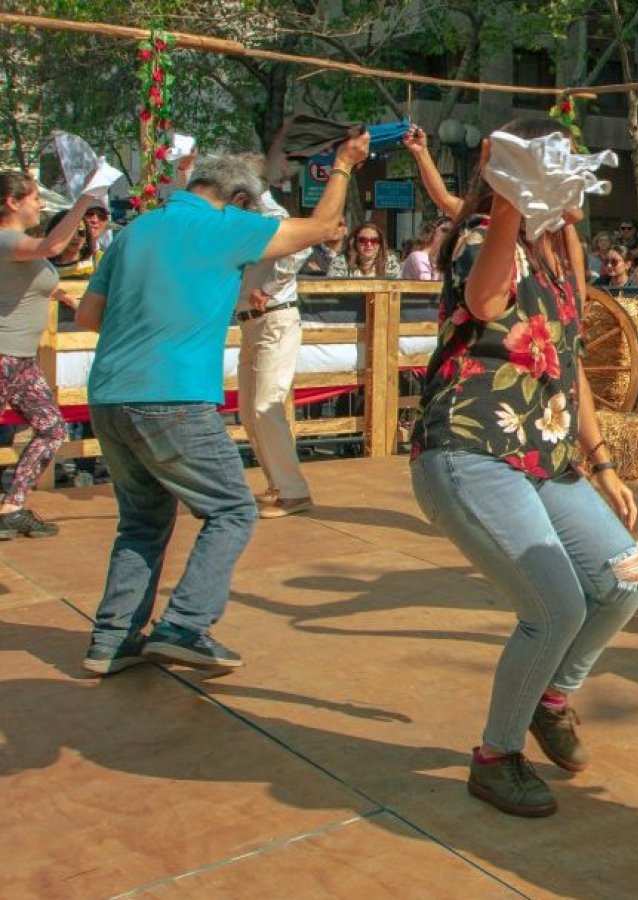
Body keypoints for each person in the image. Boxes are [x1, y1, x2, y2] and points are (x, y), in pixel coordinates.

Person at [410, 116, 638, 818]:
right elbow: (486, 304)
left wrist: (603, 461)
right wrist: (508, 195)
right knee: (555, 607)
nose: (578, 180)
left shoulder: (557, 258)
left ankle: (551, 695)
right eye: (559, 166)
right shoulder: (488, 238)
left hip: (544, 459)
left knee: (627, 577)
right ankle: (495, 756)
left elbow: (568, 362)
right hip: (470, 447)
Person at [76, 133, 370, 677]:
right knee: (232, 509)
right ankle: (184, 625)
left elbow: (90, 316)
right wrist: (346, 166)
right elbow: (325, 228)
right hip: (174, 396)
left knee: (141, 520)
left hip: (110, 395)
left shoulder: (135, 229)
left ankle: (112, 639)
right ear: (237, 199)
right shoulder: (224, 225)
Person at [0, 173, 97, 539]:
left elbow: (39, 279)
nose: (40, 204)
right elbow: (53, 247)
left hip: (20, 361)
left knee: (53, 429)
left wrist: (66, 297)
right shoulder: (8, 240)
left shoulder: (20, 247)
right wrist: (84, 201)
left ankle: (11, 508)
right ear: (13, 202)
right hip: (3, 356)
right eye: (35, 198)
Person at [236, 164, 316, 520]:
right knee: (249, 411)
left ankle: (293, 491)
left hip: (275, 318)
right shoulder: (246, 217)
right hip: (252, 323)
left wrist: (268, 289)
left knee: (265, 404)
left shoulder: (270, 212)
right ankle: (277, 484)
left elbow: (300, 248)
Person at [330, 220, 402, 278]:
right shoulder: (341, 260)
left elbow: (396, 288)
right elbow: (333, 289)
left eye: (374, 241)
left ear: (380, 244)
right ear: (354, 242)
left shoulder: (390, 261)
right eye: (363, 240)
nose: (368, 244)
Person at [401, 216, 451, 281]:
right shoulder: (418, 256)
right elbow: (428, 285)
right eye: (444, 230)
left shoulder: (443, 260)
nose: (448, 235)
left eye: (452, 232)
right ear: (432, 232)